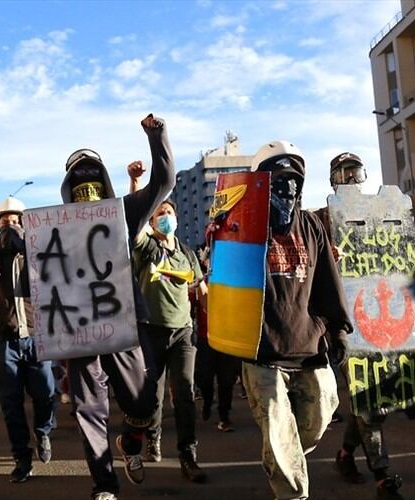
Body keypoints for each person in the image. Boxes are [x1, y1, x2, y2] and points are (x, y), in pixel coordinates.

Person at [61, 114, 174, 500]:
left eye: (93, 177)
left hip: (126, 320)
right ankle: (104, 485)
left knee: (144, 397)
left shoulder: (124, 212)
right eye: (78, 180)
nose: (86, 186)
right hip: (79, 329)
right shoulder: (56, 227)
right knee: (88, 408)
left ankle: (132, 437)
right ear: (67, 187)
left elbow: (165, 182)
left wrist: (156, 137)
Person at [229, 141, 351, 500]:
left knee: (317, 419)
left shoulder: (312, 225)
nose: (289, 187)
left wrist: (339, 329)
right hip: (262, 349)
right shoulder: (242, 223)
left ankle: (281, 452)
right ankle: (291, 491)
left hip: (308, 345)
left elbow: (328, 279)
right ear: (261, 182)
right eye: (279, 179)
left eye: (294, 179)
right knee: (279, 429)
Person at [323, 153, 403, 499]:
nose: (352, 179)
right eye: (344, 174)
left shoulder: (376, 216)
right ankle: (383, 474)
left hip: (378, 323)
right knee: (367, 402)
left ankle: (344, 455)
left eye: (356, 173)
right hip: (343, 327)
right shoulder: (321, 220)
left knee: (373, 403)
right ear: (333, 180)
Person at [131, 199, 207, 483]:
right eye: (159, 214)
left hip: (183, 333)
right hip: (151, 332)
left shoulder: (187, 252)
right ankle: (153, 436)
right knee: (153, 395)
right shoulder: (148, 248)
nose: (165, 217)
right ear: (151, 223)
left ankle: (188, 454)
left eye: (169, 212)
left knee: (185, 393)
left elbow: (201, 289)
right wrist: (136, 184)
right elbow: (135, 227)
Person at [0, 196, 56, 483]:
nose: (11, 227)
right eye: (5, 223)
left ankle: (43, 431)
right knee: (11, 404)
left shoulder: (38, 254)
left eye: (16, 221)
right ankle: (21, 458)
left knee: (45, 392)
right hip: (6, 341)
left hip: (37, 337)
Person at [191, 246, 241, 432]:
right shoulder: (201, 282)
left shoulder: (233, 282)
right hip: (206, 339)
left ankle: (224, 416)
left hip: (227, 339)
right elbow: (191, 306)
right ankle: (206, 400)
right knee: (204, 378)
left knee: (226, 380)